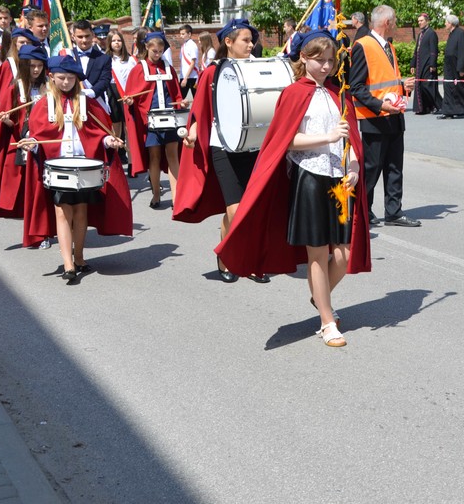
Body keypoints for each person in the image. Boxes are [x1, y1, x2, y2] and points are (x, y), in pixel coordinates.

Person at [216, 30, 371, 347]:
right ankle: (327, 322)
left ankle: (320, 296)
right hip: (309, 176)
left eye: (330, 60)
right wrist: (326, 138)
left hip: (340, 179)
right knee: (317, 253)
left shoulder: (337, 93)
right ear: (304, 57)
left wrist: (354, 166)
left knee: (343, 253)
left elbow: (351, 138)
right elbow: (285, 141)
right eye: (319, 59)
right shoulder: (293, 93)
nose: (326, 66)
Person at [18, 56, 131, 281]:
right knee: (62, 211)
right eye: (62, 78)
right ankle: (68, 264)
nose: (67, 82)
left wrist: (110, 142)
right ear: (52, 77)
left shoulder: (88, 101)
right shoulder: (43, 103)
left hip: (83, 167)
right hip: (58, 168)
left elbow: (100, 133)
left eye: (71, 78)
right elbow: (36, 134)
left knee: (81, 213)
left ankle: (78, 256)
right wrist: (31, 142)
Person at [174, 18, 269, 284]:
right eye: (245, 40)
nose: (251, 45)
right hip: (223, 146)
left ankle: (241, 259)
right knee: (236, 210)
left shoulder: (256, 69)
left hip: (253, 146)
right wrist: (192, 133)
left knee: (248, 209)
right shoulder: (212, 72)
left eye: (252, 40)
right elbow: (201, 109)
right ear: (228, 42)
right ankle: (233, 258)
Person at [348, 5, 420, 228]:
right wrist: (380, 106)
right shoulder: (363, 45)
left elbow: (385, 79)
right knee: (371, 170)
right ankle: (362, 211)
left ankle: (394, 211)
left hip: (394, 116)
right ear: (387, 22)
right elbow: (356, 87)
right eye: (395, 21)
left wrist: (402, 84)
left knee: (394, 167)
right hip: (375, 118)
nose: (397, 25)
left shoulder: (389, 46)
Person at [0, 29, 43, 220]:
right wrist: (8, 118)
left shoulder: (44, 76)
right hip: (18, 128)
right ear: (14, 44)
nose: (23, 45)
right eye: (20, 42)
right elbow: (3, 98)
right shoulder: (10, 66)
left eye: (27, 43)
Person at [121, 31, 182, 208]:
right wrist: (131, 101)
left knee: (173, 155)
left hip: (170, 117)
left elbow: (175, 92)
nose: (158, 54)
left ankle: (177, 197)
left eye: (160, 50)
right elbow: (132, 95)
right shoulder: (138, 69)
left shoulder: (168, 68)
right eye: (154, 50)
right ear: (147, 48)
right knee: (154, 157)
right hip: (150, 121)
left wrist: (180, 102)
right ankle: (156, 194)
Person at [437, 14, 464, 118]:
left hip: (457, 67)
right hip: (449, 67)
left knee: (463, 88)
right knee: (448, 87)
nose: (445, 24)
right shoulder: (452, 34)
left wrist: (461, 68)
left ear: (451, 23)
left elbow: (462, 52)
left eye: (446, 22)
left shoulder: (461, 34)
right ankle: (448, 111)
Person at [410, 12, 439, 115]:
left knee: (428, 86)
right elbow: (416, 50)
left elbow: (433, 50)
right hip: (420, 65)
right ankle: (423, 108)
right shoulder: (420, 34)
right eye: (418, 21)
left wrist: (433, 64)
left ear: (427, 21)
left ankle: (437, 106)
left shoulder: (431, 33)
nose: (419, 23)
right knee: (420, 85)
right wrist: (412, 64)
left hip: (428, 65)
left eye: (421, 21)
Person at [177, 24, 200, 97]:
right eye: (180, 34)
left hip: (192, 77)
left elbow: (192, 63)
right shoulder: (184, 45)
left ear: (189, 34)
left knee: (196, 99)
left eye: (183, 34)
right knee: (181, 98)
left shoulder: (192, 45)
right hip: (184, 76)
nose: (181, 36)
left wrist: (185, 78)